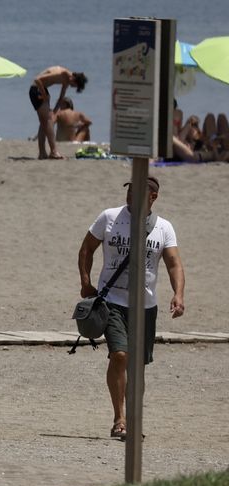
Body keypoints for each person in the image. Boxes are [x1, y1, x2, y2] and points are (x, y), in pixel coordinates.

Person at [76, 175, 184, 440]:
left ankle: (134, 419)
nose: (129, 194)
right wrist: (86, 282)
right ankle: (119, 418)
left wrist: (178, 294)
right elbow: (87, 248)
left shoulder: (164, 228)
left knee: (138, 366)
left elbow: (173, 264)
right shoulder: (109, 217)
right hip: (112, 300)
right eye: (128, 189)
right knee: (120, 355)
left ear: (152, 197)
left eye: (136, 191)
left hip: (145, 306)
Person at [30, 66, 88, 160]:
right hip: (37, 90)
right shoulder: (61, 73)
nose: (71, 86)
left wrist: (54, 111)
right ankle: (53, 152)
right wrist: (44, 96)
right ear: (73, 78)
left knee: (44, 123)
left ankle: (42, 153)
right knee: (48, 122)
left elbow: (61, 98)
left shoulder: (67, 80)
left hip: (41, 91)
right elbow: (37, 80)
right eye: (73, 85)